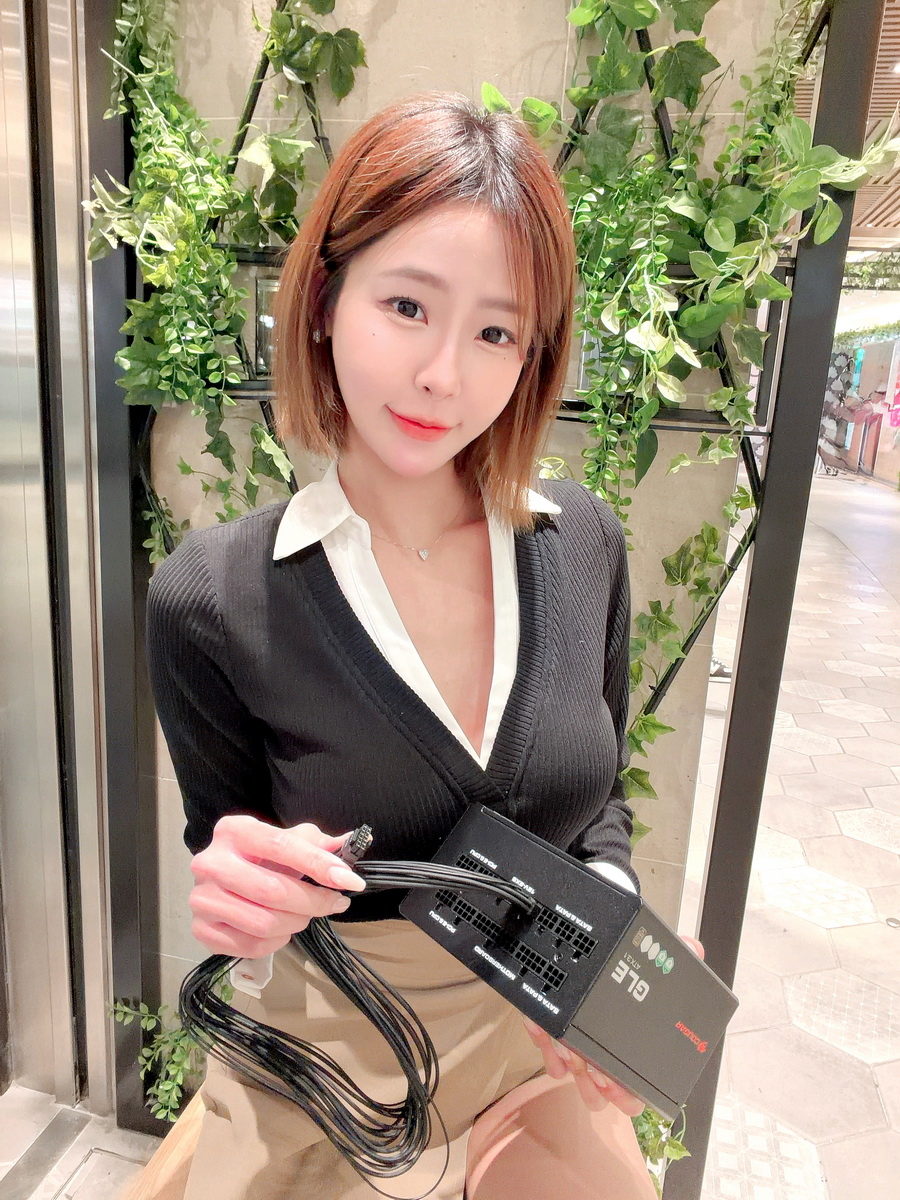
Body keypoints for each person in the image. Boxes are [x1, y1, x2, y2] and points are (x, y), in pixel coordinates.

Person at [146, 90, 703, 1200]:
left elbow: (596, 802)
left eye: (496, 331)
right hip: (334, 1068)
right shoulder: (211, 596)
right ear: (324, 300)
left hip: (532, 1055)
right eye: (407, 305)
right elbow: (231, 845)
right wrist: (237, 888)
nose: (445, 375)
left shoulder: (582, 542)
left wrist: (603, 939)